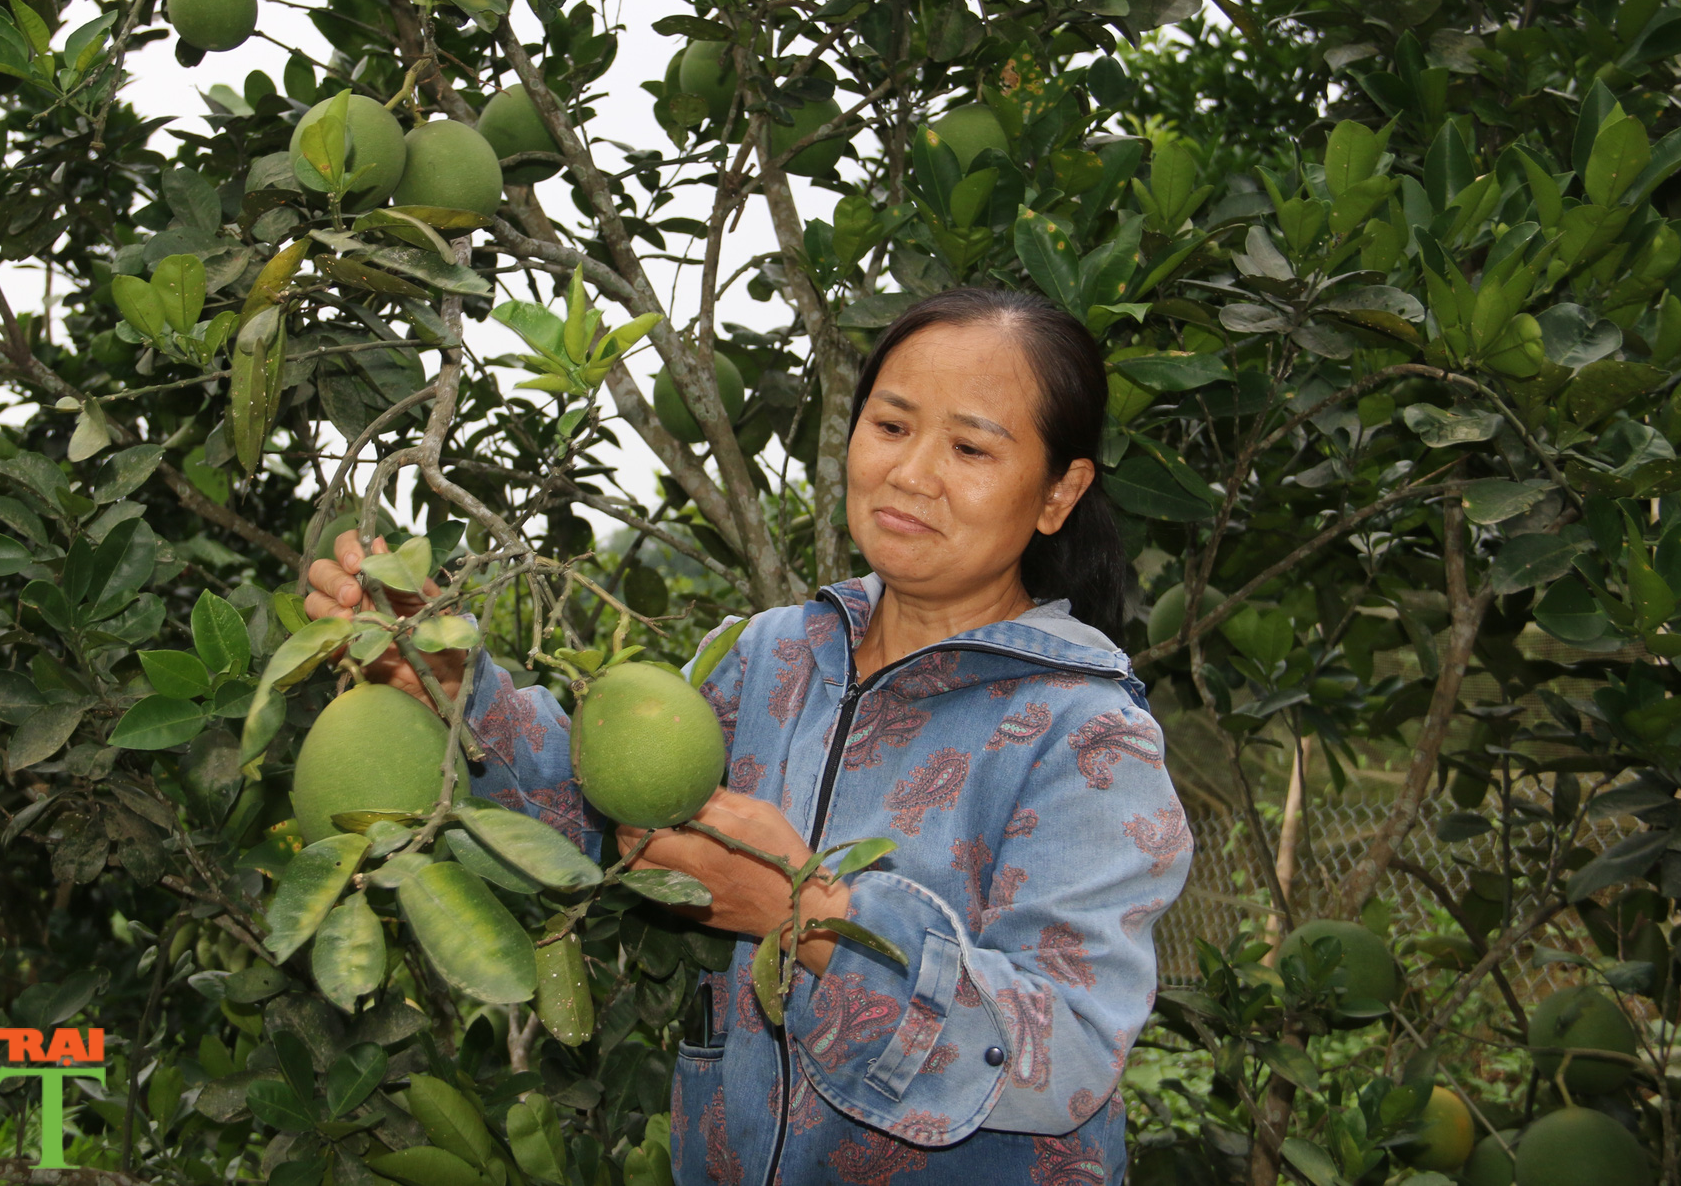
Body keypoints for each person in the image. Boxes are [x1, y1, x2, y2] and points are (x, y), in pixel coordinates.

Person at [306, 287, 1193, 1182]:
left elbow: (1069, 1052)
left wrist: (811, 916)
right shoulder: (773, 657)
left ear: (1058, 492)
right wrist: (456, 685)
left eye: (969, 447)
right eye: (891, 426)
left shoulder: (1086, 736)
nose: (913, 472)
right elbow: (598, 814)